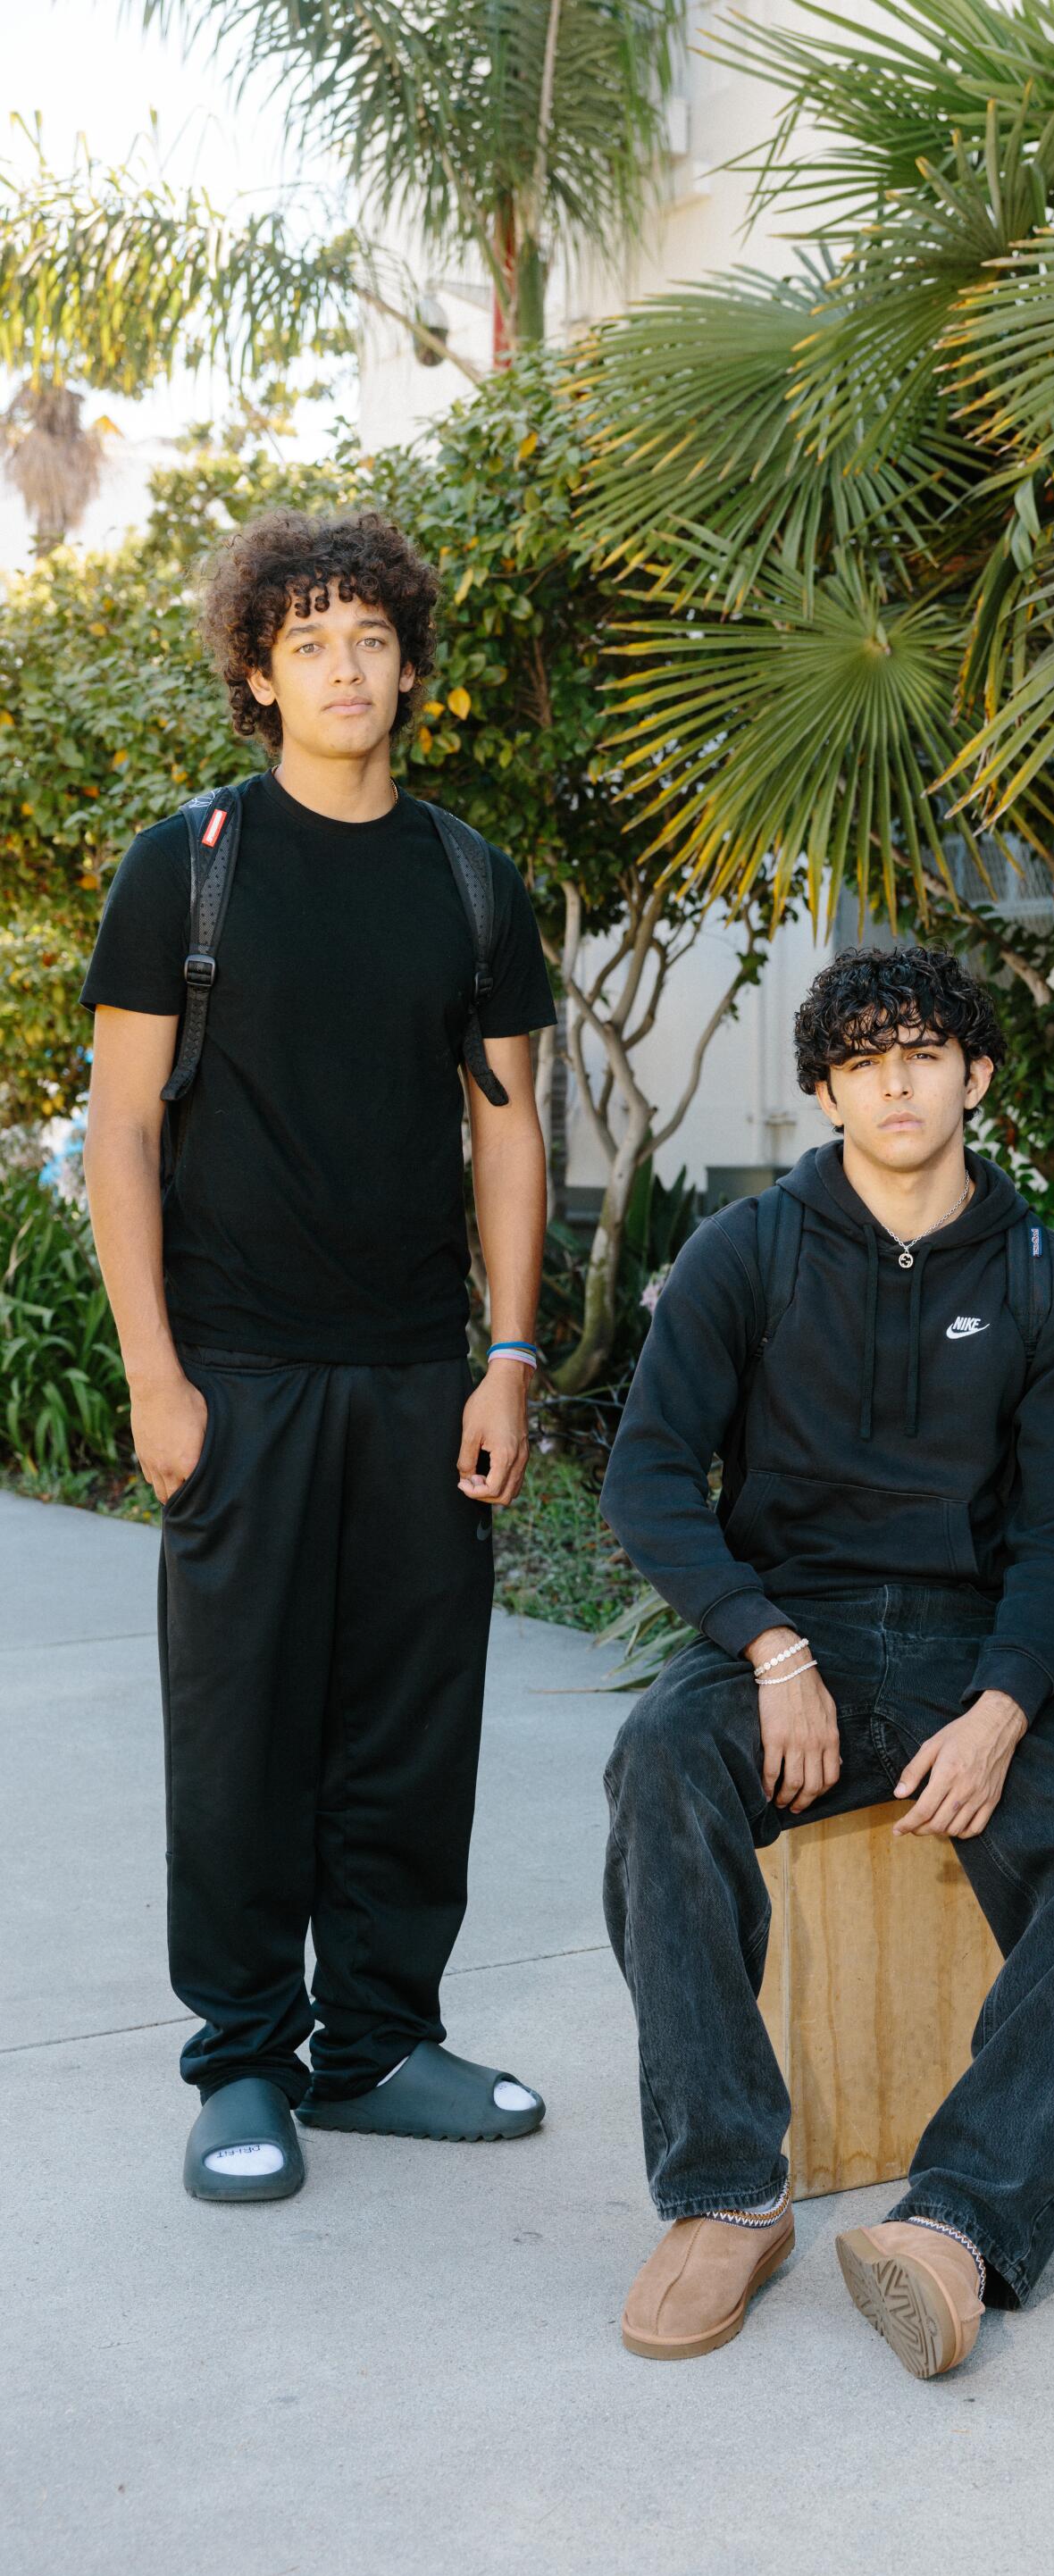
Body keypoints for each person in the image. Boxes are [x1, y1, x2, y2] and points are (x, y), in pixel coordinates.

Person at [599, 945, 1054, 2377]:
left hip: (973, 1647)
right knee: (660, 1759)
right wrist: (766, 1641)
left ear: (975, 1074)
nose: (897, 1082)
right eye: (864, 1061)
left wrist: (999, 1709)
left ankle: (959, 2221)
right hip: (789, 1636)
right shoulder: (748, 1254)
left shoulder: (1047, 1286)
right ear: (826, 1091)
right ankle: (729, 2192)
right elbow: (651, 1478)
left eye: (923, 1052)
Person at [81, 508, 556, 2204]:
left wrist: (506, 1359)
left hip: (423, 1374)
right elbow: (120, 1134)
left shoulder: (464, 876)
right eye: (309, 643)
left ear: (408, 668)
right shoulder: (188, 862)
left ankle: (376, 2045)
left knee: (410, 1726)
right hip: (239, 1372)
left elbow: (510, 1140)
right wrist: (154, 1370)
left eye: (371, 639)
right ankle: (240, 2068)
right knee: (241, 1733)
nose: (345, 667)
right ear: (259, 675)